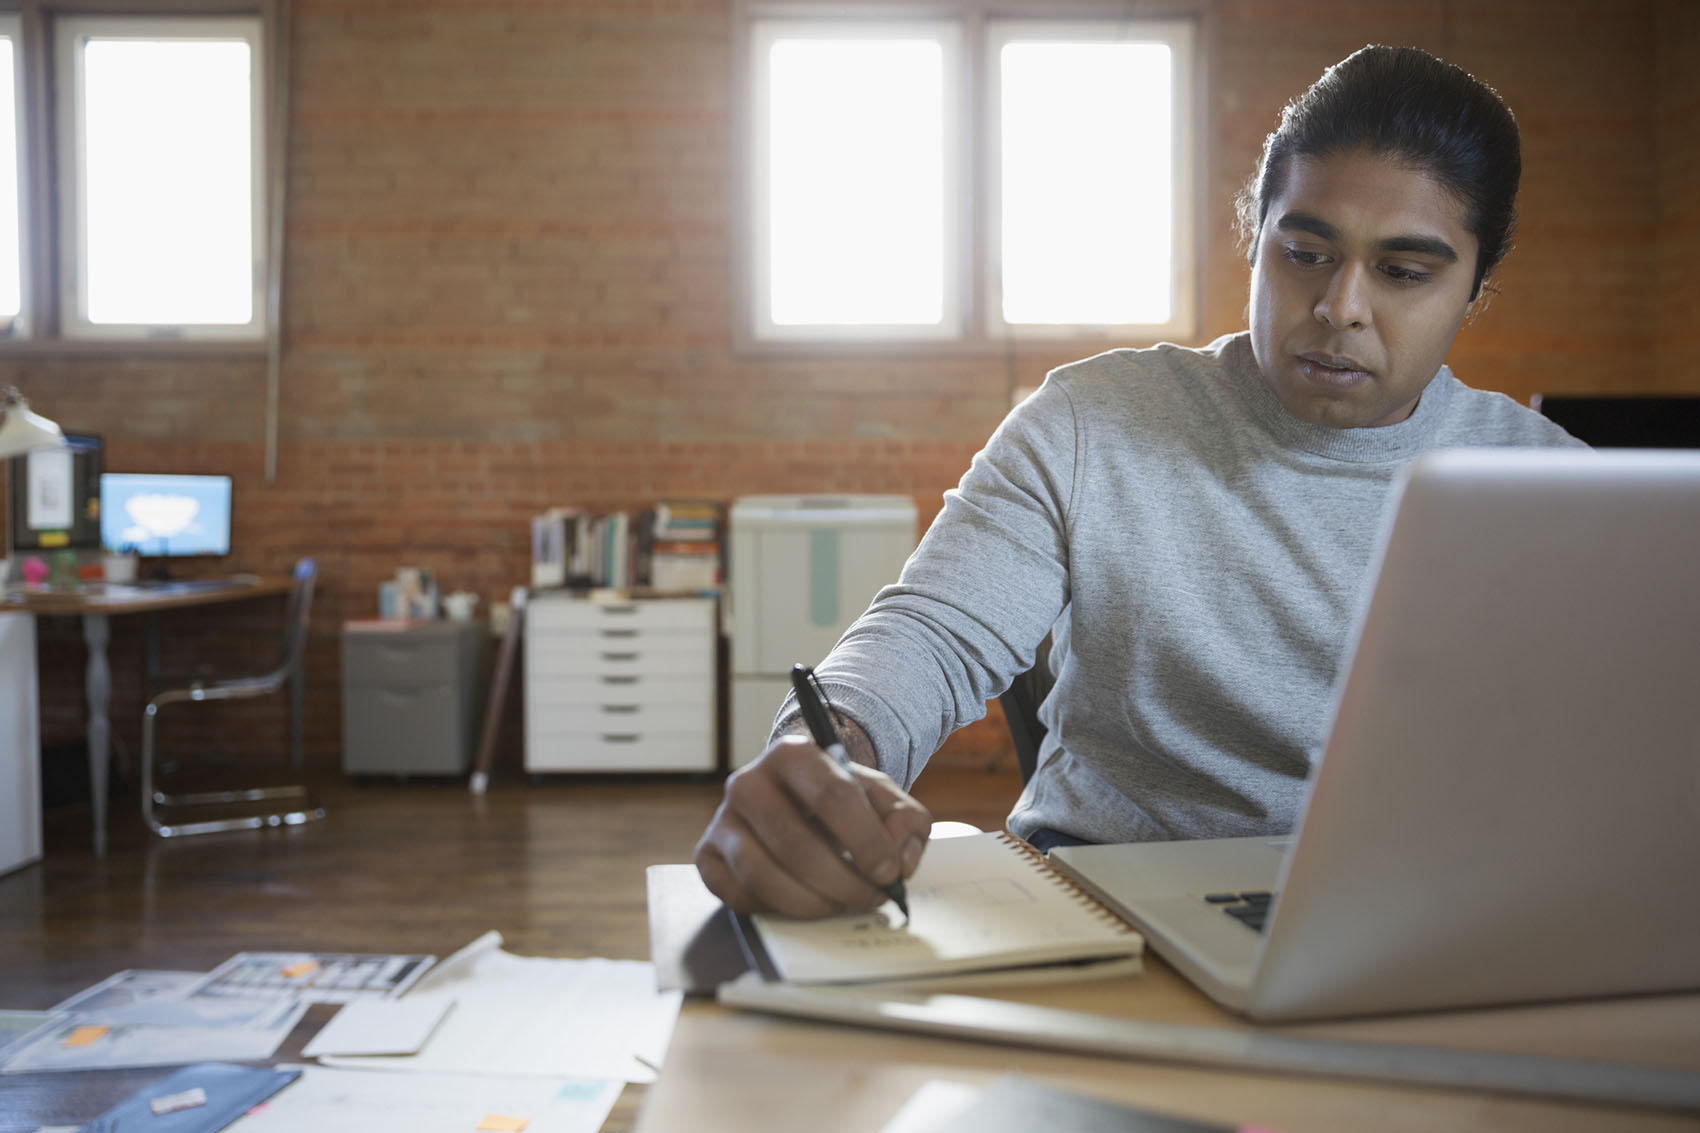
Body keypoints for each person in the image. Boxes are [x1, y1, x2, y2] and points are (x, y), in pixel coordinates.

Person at [696, 44, 1585, 918]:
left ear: (1476, 287)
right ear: (1255, 240)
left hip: (1425, 919)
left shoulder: (1560, 489)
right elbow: (930, 632)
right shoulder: (1093, 421)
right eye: (1305, 253)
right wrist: (830, 755)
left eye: (1402, 272)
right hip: (1105, 901)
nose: (1340, 305)